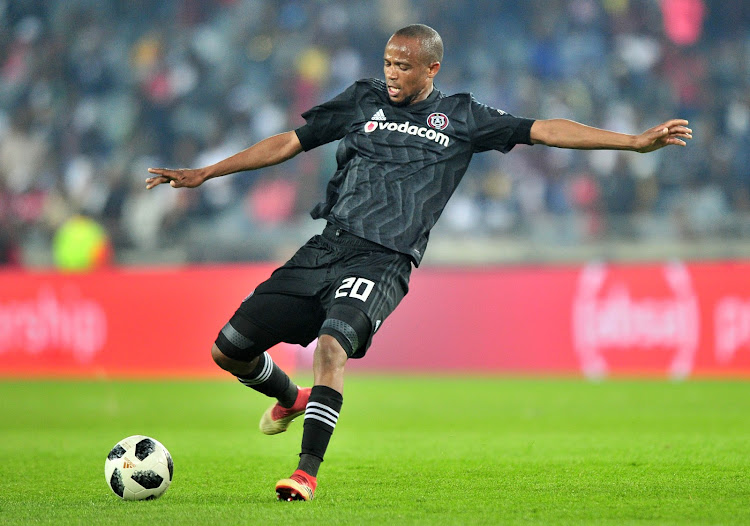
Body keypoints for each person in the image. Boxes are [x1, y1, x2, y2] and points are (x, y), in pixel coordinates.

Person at [145, 24, 692, 501]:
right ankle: (292, 399)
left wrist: (632, 143)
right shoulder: (362, 101)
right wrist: (205, 172)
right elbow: (290, 141)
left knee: (333, 347)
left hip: (384, 261)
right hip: (327, 247)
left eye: (403, 67)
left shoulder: (462, 117)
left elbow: (542, 129)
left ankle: (304, 474)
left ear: (432, 68)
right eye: (387, 63)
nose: (391, 74)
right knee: (228, 350)